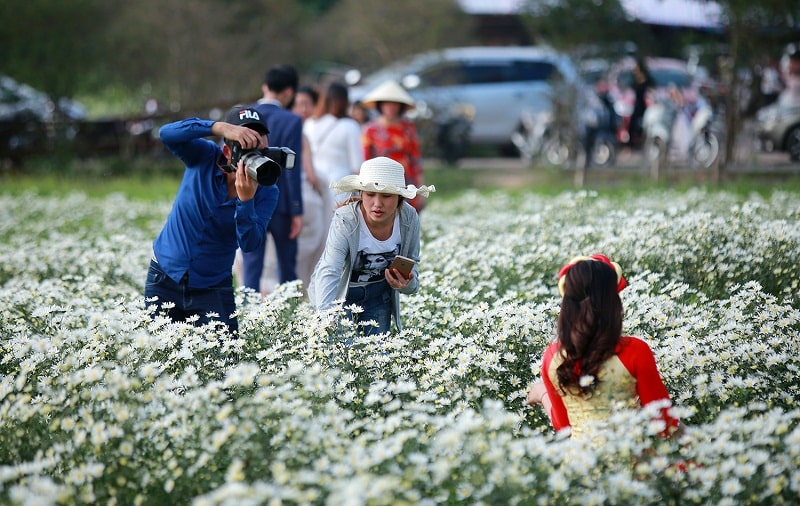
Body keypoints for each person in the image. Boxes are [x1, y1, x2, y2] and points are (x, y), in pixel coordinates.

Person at [145, 106, 278, 334]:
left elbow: (249, 244)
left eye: (259, 149)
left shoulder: (268, 191)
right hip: (165, 276)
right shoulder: (205, 156)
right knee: (157, 356)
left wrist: (246, 201)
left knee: (224, 363)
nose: (254, 158)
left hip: (212, 285)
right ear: (227, 151)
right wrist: (218, 127)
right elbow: (167, 133)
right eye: (246, 148)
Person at [527, 254, 680, 440]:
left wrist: (542, 393)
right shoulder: (635, 351)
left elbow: (564, 426)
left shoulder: (553, 357)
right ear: (613, 304)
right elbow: (664, 425)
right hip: (632, 461)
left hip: (581, 463)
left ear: (567, 304)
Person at [308, 156, 435, 336]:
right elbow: (330, 270)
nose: (377, 204)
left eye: (386, 196)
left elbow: (412, 267)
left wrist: (405, 283)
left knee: (377, 356)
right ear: (360, 193)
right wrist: (324, 317)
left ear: (399, 197)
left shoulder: (409, 217)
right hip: (339, 296)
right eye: (370, 194)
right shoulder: (346, 220)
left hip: (378, 297)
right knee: (341, 356)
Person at [240, 64, 304, 294]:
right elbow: (293, 169)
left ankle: (248, 312)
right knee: (287, 266)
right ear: (289, 92)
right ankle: (290, 312)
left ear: (264, 86)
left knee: (251, 264)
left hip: (249, 198)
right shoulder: (292, 120)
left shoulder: (241, 115)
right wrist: (297, 209)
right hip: (283, 202)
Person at [361, 80, 426, 213]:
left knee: (408, 217)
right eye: (387, 104)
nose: (391, 108)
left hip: (406, 178)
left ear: (400, 106)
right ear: (380, 106)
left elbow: (415, 158)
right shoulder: (370, 129)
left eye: (394, 104)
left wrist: (421, 187)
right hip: (381, 180)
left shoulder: (408, 128)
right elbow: (366, 158)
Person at [305, 81, 364, 204]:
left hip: (314, 185)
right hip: (341, 187)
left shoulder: (309, 124)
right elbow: (357, 166)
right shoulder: (350, 126)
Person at [628, 57, 654, 147]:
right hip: (637, 104)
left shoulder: (647, 80)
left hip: (645, 105)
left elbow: (651, 90)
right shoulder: (635, 80)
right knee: (633, 124)